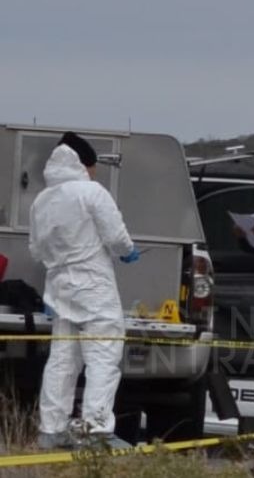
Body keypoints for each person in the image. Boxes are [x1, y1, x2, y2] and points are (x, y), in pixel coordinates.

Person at [28, 132, 140, 450]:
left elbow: (35, 250)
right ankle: (95, 432)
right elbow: (116, 237)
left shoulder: (41, 200)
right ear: (84, 165)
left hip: (59, 288)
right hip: (93, 287)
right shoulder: (91, 192)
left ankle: (52, 430)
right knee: (103, 355)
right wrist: (128, 251)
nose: (94, 172)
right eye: (93, 167)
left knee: (62, 359)